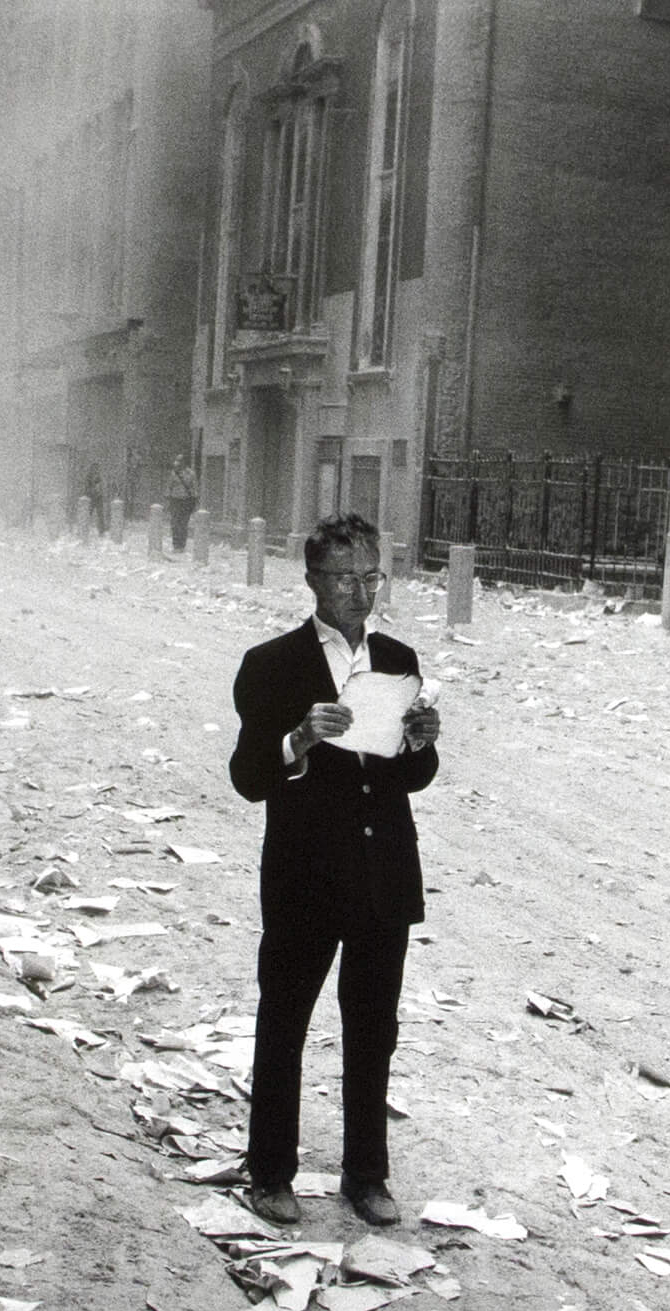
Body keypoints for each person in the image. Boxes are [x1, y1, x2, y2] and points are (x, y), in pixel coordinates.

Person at [229, 511, 442, 1229]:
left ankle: (366, 1174)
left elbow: (412, 778)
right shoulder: (273, 664)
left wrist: (420, 742)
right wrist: (298, 739)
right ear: (313, 580)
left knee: (373, 1028)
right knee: (285, 1020)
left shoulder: (399, 656)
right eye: (344, 577)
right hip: (305, 875)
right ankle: (271, 1173)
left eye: (371, 576)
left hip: (383, 874)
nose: (360, 591)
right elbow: (248, 777)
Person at [166, 453, 200, 552]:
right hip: (175, 500)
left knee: (184, 523)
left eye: (180, 461)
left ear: (184, 462)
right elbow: (169, 487)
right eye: (177, 460)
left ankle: (182, 545)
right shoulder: (173, 473)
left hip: (186, 501)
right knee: (175, 523)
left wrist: (195, 500)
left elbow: (195, 488)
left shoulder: (191, 474)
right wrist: (168, 499)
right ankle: (176, 545)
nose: (177, 463)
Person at [83, 465, 107, 535]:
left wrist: (100, 492)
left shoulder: (99, 477)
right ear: (91, 469)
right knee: (87, 514)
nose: (96, 470)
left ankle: (101, 531)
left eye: (97, 469)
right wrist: (92, 490)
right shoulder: (88, 477)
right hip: (90, 498)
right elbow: (86, 488)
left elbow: (102, 486)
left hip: (98, 498)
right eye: (94, 469)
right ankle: (84, 530)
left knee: (100, 515)